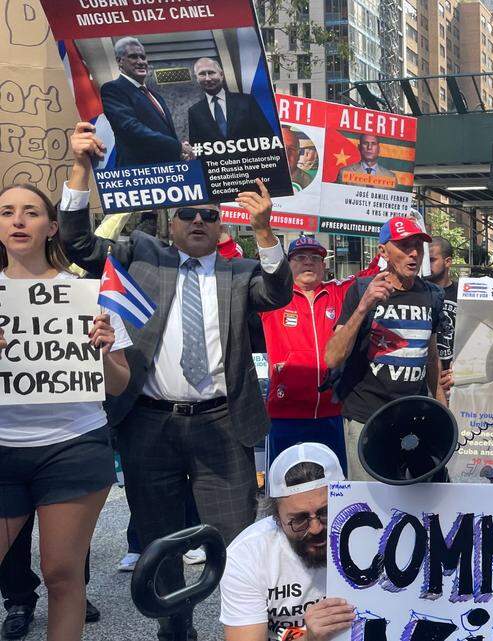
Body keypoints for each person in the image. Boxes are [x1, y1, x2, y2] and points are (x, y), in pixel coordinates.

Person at [57, 122, 292, 640]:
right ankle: (174, 627)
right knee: (160, 540)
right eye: (189, 212)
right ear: (171, 218)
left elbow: (278, 294)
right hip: (149, 425)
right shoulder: (140, 255)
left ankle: (246, 629)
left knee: (236, 540)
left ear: (220, 224)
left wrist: (265, 230)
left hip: (222, 426)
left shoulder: (242, 271)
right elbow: (75, 242)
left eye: (210, 214)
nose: (199, 221)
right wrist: (80, 167)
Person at [0, 179, 130, 641]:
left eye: (31, 212)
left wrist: (103, 351)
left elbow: (118, 384)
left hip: (73, 446)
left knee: (61, 573)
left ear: (52, 226)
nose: (18, 220)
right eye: (7, 212)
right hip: (2, 451)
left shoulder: (88, 295)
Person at [324, 217, 448, 481]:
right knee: (372, 508)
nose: (414, 253)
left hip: (415, 418)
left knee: (420, 505)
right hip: (367, 418)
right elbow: (332, 357)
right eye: (404, 246)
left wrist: (442, 411)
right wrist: (363, 308)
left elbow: (431, 357)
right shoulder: (360, 290)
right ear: (383, 251)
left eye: (418, 245)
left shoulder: (433, 295)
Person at [259, 237, 381, 471]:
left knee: (333, 487)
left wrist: (386, 246)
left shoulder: (337, 292)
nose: (309, 263)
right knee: (285, 487)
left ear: (324, 265)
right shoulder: (272, 297)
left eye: (315, 258)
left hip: (332, 412)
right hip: (285, 414)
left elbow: (370, 276)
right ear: (288, 263)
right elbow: (239, 272)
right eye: (301, 257)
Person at [219, 443, 355, 641]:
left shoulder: (372, 534)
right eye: (299, 519)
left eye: (326, 513)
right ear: (276, 518)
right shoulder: (245, 556)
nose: (316, 528)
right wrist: (309, 638)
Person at [100, 37, 188, 166]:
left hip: (170, 169)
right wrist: (177, 146)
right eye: (133, 57)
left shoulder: (156, 96)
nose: (140, 62)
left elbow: (166, 133)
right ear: (119, 61)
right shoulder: (113, 89)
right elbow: (131, 128)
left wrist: (179, 151)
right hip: (140, 174)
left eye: (143, 57)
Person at [187, 58, 275, 144]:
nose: (208, 78)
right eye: (202, 74)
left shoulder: (247, 101)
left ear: (221, 75)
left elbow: (267, 136)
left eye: (211, 73)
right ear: (197, 79)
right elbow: (196, 146)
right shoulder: (194, 112)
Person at [428, 237, 459, 371]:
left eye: (431, 260)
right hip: (426, 378)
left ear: (448, 262)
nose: (425, 265)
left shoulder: (463, 294)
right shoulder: (418, 293)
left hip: (456, 379)